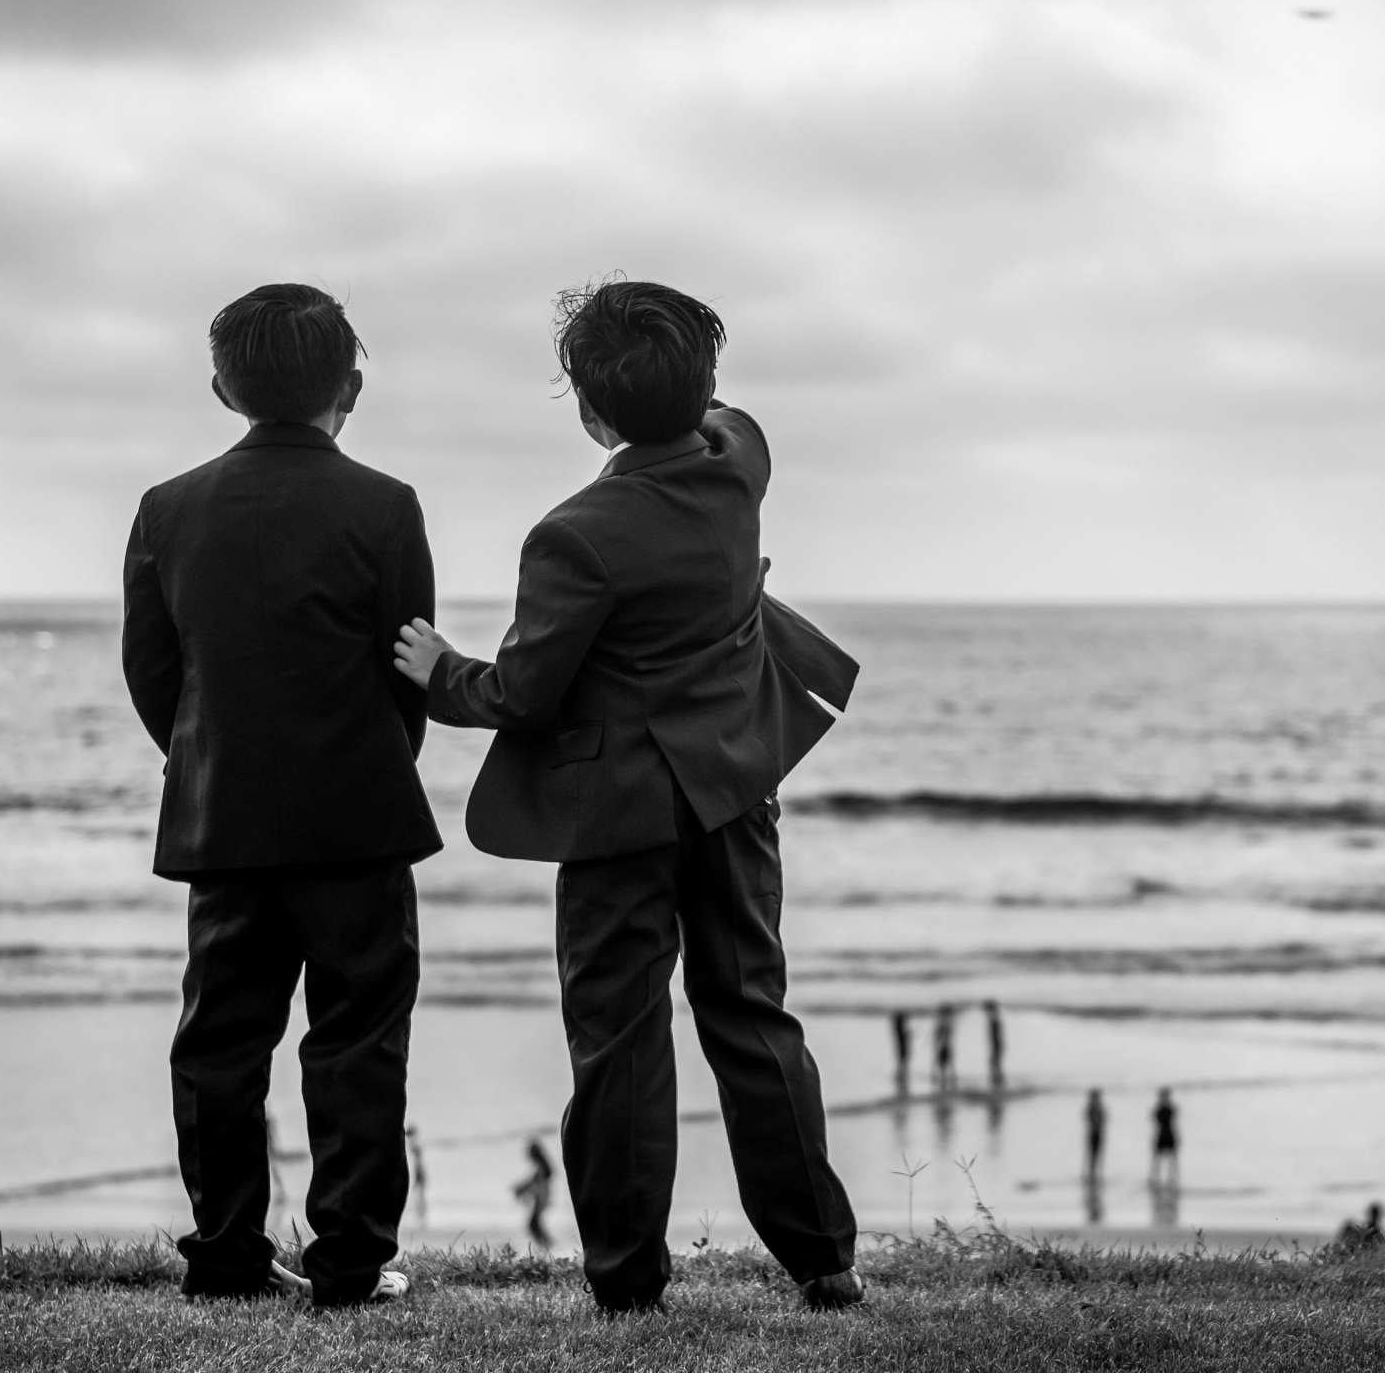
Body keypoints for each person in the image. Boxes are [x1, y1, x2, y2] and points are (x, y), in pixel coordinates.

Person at [392, 280, 863, 1316]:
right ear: (703, 388)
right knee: (751, 1014)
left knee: (619, 1037)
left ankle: (626, 1277)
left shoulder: (576, 534)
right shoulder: (742, 463)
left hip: (621, 819)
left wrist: (441, 670)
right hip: (736, 793)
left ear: (591, 411)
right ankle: (824, 1256)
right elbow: (723, 417)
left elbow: (521, 693)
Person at [122, 283, 438, 1308]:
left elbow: (153, 672)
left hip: (226, 819)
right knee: (358, 1040)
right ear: (353, 385)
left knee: (220, 1042)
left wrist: (209, 754)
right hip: (357, 816)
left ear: (222, 389)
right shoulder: (387, 505)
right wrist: (381, 754)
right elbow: (409, 667)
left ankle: (224, 1252)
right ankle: (350, 1259)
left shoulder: (167, 509)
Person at [514, 1138, 555, 1252]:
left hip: (541, 1199)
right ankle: (547, 1246)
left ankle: (548, 1246)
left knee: (533, 1224)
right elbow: (534, 1183)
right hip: (542, 1198)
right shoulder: (542, 1165)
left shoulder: (541, 1167)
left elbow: (535, 1183)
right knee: (534, 1224)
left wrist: (521, 1189)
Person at [1149, 1088, 1180, 1190]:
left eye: (1165, 1096)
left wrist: (1177, 1137)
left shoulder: (1171, 1109)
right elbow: (1155, 1123)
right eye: (1163, 1096)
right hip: (1161, 1135)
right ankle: (1155, 1179)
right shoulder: (1159, 1109)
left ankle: (1172, 1179)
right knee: (1157, 1160)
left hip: (1169, 1135)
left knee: (1172, 1159)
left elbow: (1174, 1124)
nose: (1164, 1099)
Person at [1083, 1089, 1107, 1183]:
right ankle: (1091, 1175)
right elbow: (1087, 1118)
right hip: (1092, 1134)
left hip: (1098, 1134)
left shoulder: (1100, 1108)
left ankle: (1097, 1175)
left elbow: (1104, 1120)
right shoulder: (1091, 1108)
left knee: (1098, 1155)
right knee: (1091, 1156)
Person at [932, 1003, 958, 1094]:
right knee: (947, 1066)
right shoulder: (945, 1023)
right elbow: (940, 1037)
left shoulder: (943, 1023)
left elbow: (939, 1037)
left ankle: (945, 1086)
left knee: (945, 1066)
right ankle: (947, 1085)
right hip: (945, 1046)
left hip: (944, 1046)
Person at [983, 999, 1005, 1091]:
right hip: (996, 1045)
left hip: (997, 1045)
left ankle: (997, 1083)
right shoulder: (994, 1019)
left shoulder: (994, 1020)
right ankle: (997, 1082)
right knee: (995, 1063)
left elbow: (996, 1036)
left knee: (994, 1063)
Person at [891, 1009, 913, 1093]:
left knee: (901, 1062)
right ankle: (901, 1076)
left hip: (901, 1048)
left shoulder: (898, 1030)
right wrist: (909, 1034)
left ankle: (900, 1076)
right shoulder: (900, 1030)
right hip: (903, 1048)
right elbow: (906, 1037)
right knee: (903, 1062)